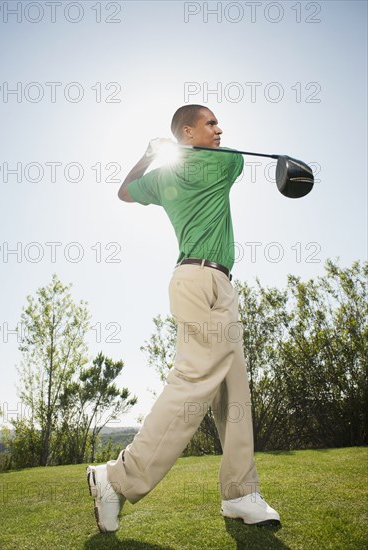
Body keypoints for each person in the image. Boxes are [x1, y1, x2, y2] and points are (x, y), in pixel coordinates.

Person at [86, 104, 280, 532]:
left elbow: (124, 190)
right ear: (188, 131)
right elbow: (236, 160)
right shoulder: (226, 161)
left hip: (215, 283)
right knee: (193, 380)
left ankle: (240, 494)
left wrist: (151, 154)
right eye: (210, 123)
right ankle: (116, 477)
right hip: (199, 281)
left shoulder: (164, 176)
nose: (220, 129)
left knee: (233, 393)